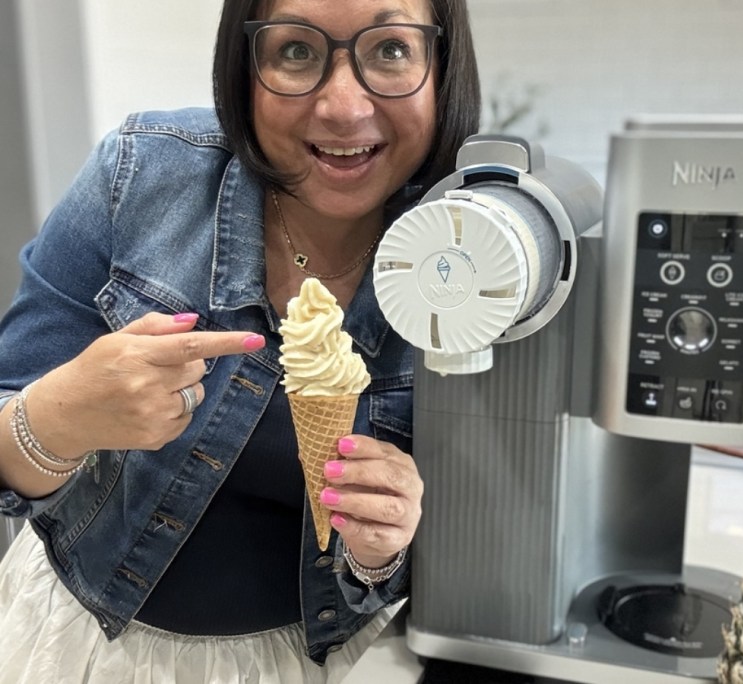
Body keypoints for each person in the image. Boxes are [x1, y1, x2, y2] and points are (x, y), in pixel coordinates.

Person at [0, 0, 480, 681]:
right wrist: (55, 420)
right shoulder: (139, 176)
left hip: (318, 661)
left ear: (444, 66)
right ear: (242, 65)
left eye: (391, 49)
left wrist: (380, 552)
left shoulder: (475, 264)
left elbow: (486, 554)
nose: (344, 107)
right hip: (76, 641)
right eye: (295, 51)